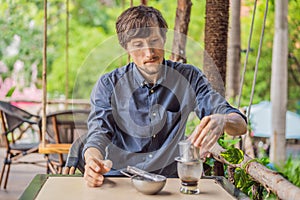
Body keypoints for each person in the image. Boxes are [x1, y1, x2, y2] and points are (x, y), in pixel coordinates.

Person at [82, 5, 247, 187]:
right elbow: (98, 133)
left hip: (170, 185)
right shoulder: (109, 84)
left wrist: (223, 120)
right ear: (126, 49)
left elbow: (240, 124)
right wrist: (92, 161)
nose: (149, 53)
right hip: (120, 183)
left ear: (164, 39)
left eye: (154, 41)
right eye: (138, 45)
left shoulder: (188, 77)